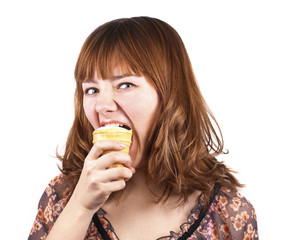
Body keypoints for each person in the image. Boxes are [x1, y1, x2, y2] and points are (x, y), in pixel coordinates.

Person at [28, 16, 258, 240]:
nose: (102, 105)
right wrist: (80, 207)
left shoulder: (227, 213)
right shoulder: (63, 197)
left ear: (169, 95)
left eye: (125, 85)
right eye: (91, 89)